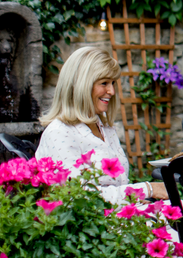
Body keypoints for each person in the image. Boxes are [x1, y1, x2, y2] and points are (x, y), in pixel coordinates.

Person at [37, 46, 168, 204]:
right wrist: (148, 189)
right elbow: (78, 198)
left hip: (116, 218)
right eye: (104, 83)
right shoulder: (59, 133)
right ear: (81, 85)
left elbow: (119, 185)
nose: (112, 91)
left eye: (113, 83)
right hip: (93, 226)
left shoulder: (103, 127)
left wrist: (135, 202)